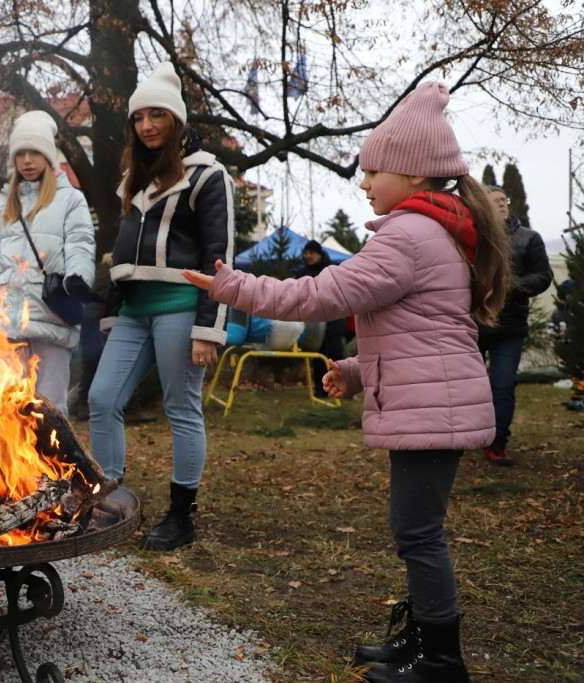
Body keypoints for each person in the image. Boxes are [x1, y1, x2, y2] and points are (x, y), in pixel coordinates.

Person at [184, 82, 509, 682]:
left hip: (434, 414)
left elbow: (321, 294)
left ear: (412, 174)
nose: (362, 183)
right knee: (416, 531)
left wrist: (233, 287)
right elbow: (424, 337)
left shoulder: (408, 237)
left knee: (418, 534)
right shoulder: (427, 233)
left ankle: (440, 661)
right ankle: (420, 641)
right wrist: (360, 373)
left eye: (372, 170)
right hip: (435, 404)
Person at [88, 62, 233, 551]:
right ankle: (108, 500)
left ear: (177, 119)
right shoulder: (133, 180)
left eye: (157, 115)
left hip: (181, 307)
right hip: (133, 310)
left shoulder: (209, 175)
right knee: (102, 399)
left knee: (181, 408)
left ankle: (180, 516)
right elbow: (120, 257)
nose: (147, 125)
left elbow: (221, 257)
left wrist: (210, 327)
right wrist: (111, 314)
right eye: (139, 117)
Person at [0, 110, 96, 414]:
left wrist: (77, 278)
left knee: (50, 412)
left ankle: (53, 464)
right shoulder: (1, 204)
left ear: (48, 157)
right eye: (21, 153)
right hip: (6, 326)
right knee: (6, 413)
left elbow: (81, 245)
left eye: (35, 152)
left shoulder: (71, 199)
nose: (27, 160)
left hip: (50, 319)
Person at [477, 186, 553, 466]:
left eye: (503, 200)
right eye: (493, 201)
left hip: (509, 328)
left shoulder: (529, 238)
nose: (500, 204)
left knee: (504, 385)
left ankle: (497, 442)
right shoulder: (472, 236)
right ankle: (467, 436)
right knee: (469, 387)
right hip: (472, 326)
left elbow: (543, 276)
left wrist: (509, 288)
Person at [298, 240, 346, 397]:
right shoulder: (303, 272)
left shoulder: (331, 270)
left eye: (311, 253)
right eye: (306, 253)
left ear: (319, 254)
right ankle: (321, 389)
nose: (308, 256)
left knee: (335, 356)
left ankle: (344, 388)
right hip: (314, 323)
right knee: (317, 356)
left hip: (333, 320)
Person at [550, 279, 583, 411]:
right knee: (574, 373)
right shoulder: (558, 312)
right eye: (564, 296)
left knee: (581, 372)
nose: (566, 299)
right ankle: (577, 397)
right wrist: (556, 334)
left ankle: (580, 398)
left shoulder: (580, 310)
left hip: (580, 346)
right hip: (568, 347)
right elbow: (552, 327)